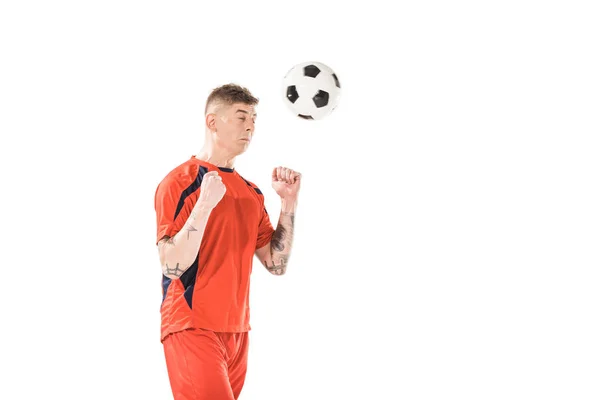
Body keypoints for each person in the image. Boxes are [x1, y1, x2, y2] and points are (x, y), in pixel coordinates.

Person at [154, 83, 301, 400]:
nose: (250, 125)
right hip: (191, 323)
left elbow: (275, 264)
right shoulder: (180, 182)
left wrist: (288, 203)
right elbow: (172, 265)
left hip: (237, 330)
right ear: (212, 122)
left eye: (253, 118)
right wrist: (204, 205)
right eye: (240, 116)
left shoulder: (251, 193)